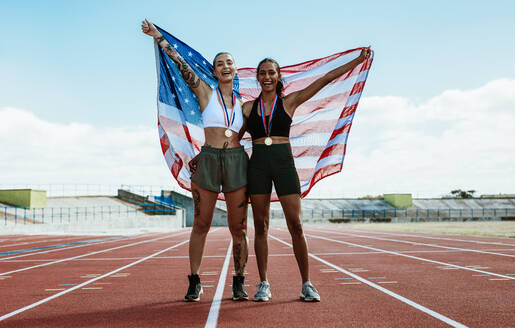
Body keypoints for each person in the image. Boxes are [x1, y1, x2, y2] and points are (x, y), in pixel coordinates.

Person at [242, 48, 372, 302]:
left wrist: (357, 61)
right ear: (257, 78)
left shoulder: (289, 102)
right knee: (261, 226)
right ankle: (264, 284)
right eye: (262, 73)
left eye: (271, 72)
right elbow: (233, 137)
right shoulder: (248, 108)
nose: (267, 76)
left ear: (279, 76)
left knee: (297, 226)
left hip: (283, 164)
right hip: (258, 165)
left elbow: (323, 80)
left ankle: (307, 284)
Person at [142, 19, 250, 302]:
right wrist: (160, 39)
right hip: (209, 161)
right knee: (200, 225)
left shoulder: (244, 105)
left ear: (235, 68)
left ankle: (239, 281)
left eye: (230, 62)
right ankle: (195, 280)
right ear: (214, 71)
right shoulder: (206, 93)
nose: (225, 66)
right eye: (220, 63)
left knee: (239, 228)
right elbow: (182, 67)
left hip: (237, 162)